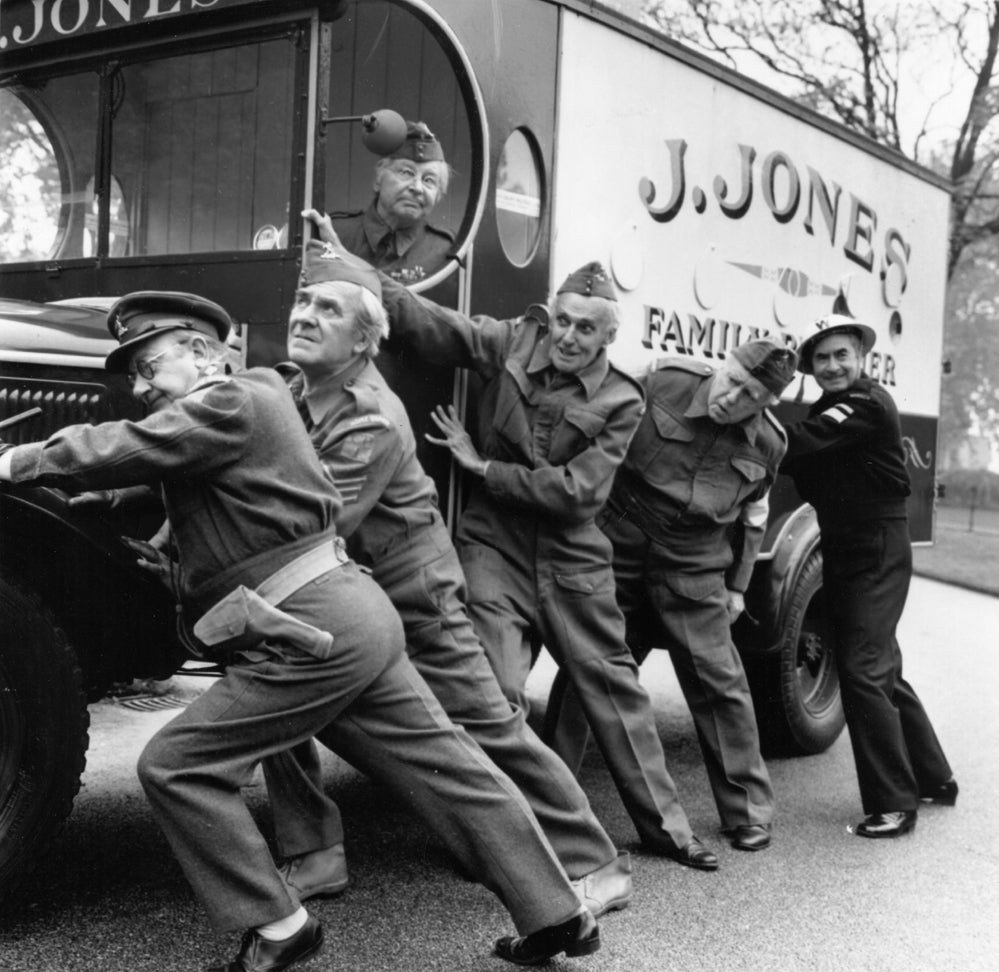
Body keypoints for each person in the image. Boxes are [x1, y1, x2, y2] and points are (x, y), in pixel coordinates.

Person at [0, 290, 600, 972]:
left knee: (176, 765)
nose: (139, 388)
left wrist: (16, 462)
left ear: (200, 354)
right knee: (448, 767)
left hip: (308, 629)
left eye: (148, 366)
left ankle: (279, 926)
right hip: (346, 617)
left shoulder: (236, 400)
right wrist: (90, 504)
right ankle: (556, 912)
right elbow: (160, 490)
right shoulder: (224, 420)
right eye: (132, 374)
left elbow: (132, 448)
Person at [262, 237, 631, 918]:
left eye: (326, 307)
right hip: (346, 587)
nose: (306, 316)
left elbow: (319, 522)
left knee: (485, 722)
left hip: (411, 592)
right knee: (268, 691)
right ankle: (313, 851)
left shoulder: (371, 411)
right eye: (302, 301)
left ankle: (595, 863)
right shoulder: (291, 388)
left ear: (363, 340)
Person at [359, 247, 720, 870]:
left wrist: (485, 467)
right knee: (491, 690)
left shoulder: (622, 399)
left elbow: (581, 492)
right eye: (563, 320)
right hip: (492, 545)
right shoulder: (514, 342)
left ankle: (668, 830)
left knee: (612, 689)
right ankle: (498, 837)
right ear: (548, 317)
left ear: (609, 336)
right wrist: (351, 267)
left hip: (572, 556)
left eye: (586, 327)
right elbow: (428, 321)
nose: (569, 337)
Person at [544, 341, 797, 854]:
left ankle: (747, 810)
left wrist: (738, 587)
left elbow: (753, 514)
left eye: (751, 395)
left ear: (766, 403)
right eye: (734, 381)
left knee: (720, 679)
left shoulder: (770, 443)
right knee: (588, 671)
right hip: (618, 540)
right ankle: (546, 799)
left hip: (694, 560)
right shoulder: (661, 379)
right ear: (723, 366)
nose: (733, 397)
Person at [779, 314, 957, 838]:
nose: (832, 366)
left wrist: (737, 417)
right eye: (821, 358)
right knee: (881, 666)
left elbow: (799, 444)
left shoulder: (865, 402)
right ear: (810, 366)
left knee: (861, 668)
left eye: (841, 355)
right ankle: (934, 777)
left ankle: (893, 805)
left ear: (861, 358)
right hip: (848, 545)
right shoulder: (829, 406)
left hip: (875, 546)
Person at [329, 120, 454, 284]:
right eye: (406, 172)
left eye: (429, 180)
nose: (417, 188)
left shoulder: (446, 250)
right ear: (378, 179)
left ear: (438, 195)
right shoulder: (334, 233)